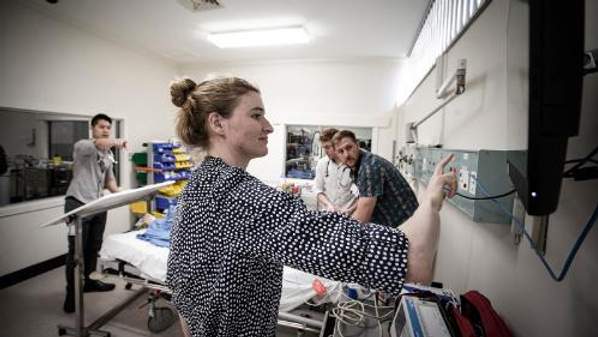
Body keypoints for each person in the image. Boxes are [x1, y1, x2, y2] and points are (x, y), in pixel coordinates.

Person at [166, 77, 456, 337]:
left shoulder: (199, 185)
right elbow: (412, 263)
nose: (268, 126)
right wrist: (430, 202)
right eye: (256, 115)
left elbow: (179, 282)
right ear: (218, 123)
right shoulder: (238, 195)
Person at [62, 113, 127, 313]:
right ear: (93, 128)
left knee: (93, 249)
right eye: (101, 127)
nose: (106, 129)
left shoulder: (108, 155)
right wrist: (117, 141)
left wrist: (126, 194)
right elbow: (99, 143)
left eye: (108, 127)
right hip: (78, 204)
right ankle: (71, 293)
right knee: (76, 252)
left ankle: (90, 283)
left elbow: (110, 181)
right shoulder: (83, 146)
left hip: (98, 205)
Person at [333, 130, 419, 228]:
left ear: (357, 144)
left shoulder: (369, 167)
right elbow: (364, 197)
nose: (346, 155)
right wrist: (349, 210)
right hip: (401, 224)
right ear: (337, 154)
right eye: (341, 151)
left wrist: (341, 233)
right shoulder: (359, 165)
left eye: (349, 148)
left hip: (407, 226)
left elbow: (362, 217)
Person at [313, 128, 357, 214]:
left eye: (327, 147)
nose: (325, 151)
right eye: (323, 148)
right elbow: (317, 189)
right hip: (328, 213)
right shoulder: (322, 164)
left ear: (337, 145)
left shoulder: (353, 164)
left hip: (349, 215)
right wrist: (329, 205)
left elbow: (362, 196)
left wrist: (349, 210)